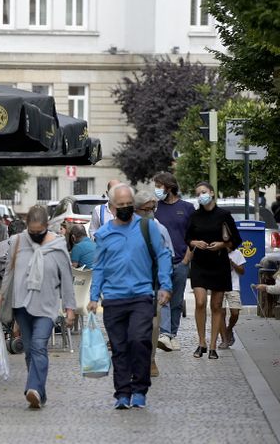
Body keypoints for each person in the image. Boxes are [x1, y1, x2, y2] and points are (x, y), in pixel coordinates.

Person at [88, 184, 171, 409]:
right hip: (114, 298)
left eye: (128, 205)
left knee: (139, 340)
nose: (125, 208)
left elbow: (163, 255)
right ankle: (122, 393)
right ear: (112, 207)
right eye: (121, 205)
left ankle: (140, 388)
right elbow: (99, 267)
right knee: (120, 347)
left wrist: (165, 285)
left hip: (142, 295)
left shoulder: (147, 227)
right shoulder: (104, 233)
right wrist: (94, 296)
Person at [0, 206, 75, 410]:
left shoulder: (57, 245)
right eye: (32, 231)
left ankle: (33, 388)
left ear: (47, 227)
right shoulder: (18, 242)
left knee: (38, 346)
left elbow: (66, 278)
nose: (35, 235)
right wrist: (1, 298)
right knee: (29, 351)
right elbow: (9, 273)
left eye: (39, 232)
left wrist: (69, 308)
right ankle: (39, 392)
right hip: (22, 304)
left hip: (47, 305)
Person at [186, 182, 242, 359]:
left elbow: (236, 240)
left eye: (203, 192)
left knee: (217, 305)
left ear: (211, 193)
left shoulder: (224, 215)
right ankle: (201, 342)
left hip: (219, 263)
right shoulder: (194, 216)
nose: (201, 195)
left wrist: (222, 244)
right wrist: (195, 243)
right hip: (200, 264)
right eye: (198, 193)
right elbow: (187, 238)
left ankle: (212, 347)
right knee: (200, 302)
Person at [153, 172, 196, 352]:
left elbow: (193, 235)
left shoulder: (187, 208)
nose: (156, 190)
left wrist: (187, 259)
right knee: (163, 298)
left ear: (168, 188)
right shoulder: (155, 208)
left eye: (158, 186)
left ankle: (172, 334)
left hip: (180, 261)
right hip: (160, 262)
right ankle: (164, 334)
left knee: (177, 301)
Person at [133, 190, 175, 378]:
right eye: (147, 209)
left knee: (153, 324)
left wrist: (166, 285)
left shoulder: (159, 229)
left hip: (152, 285)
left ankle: (150, 359)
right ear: (136, 210)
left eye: (153, 208)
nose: (151, 212)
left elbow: (167, 257)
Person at [219, 249, 245, 349]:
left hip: (233, 286)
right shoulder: (218, 251)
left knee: (235, 312)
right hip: (219, 286)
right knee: (221, 313)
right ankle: (224, 340)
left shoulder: (237, 253)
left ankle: (229, 329)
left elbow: (242, 271)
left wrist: (232, 263)